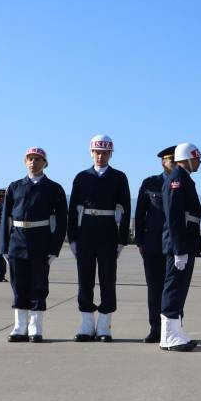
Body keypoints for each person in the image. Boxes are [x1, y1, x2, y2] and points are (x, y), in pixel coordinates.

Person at [67, 135, 131, 342]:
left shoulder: (119, 177)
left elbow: (125, 209)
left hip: (107, 233)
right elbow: (72, 210)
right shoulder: (81, 177)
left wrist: (122, 240)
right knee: (84, 280)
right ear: (91, 153)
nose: (100, 156)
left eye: (104, 153)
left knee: (107, 279)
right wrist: (73, 238)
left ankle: (104, 326)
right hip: (85, 232)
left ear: (110, 154)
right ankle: (86, 325)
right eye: (97, 152)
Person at [0, 147, 67, 343]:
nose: (33, 162)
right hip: (17, 243)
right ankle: (19, 327)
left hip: (41, 243)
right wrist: (4, 247)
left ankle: (35, 328)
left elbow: (61, 222)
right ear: (25, 161)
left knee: (39, 286)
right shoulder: (15, 187)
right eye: (30, 158)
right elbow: (6, 219)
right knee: (18, 285)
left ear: (45, 163)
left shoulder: (54, 188)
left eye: (38, 159)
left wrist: (54, 249)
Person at [159, 143, 201, 352]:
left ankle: (176, 333)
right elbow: (174, 217)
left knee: (179, 288)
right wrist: (178, 249)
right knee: (174, 288)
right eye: (196, 159)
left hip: (185, 243)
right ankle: (169, 336)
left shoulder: (182, 177)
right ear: (186, 159)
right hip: (180, 244)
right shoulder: (177, 179)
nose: (199, 162)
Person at [134, 145, 175, 343]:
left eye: (177, 160)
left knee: (174, 288)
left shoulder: (184, 182)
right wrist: (139, 242)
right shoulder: (150, 183)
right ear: (163, 162)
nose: (174, 163)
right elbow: (140, 214)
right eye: (170, 160)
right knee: (154, 288)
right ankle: (156, 329)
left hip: (175, 245)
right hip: (153, 245)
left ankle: (174, 327)